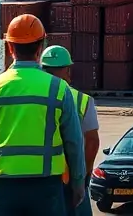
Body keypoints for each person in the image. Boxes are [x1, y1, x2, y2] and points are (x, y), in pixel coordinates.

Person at [0, 14, 86, 216]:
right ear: (41, 47)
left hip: (4, 190)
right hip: (47, 189)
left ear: (9, 47)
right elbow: (74, 142)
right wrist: (78, 181)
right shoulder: (58, 88)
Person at [40, 45, 100, 216]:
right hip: (72, 177)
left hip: (42, 176)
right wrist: (85, 174)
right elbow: (92, 142)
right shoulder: (82, 99)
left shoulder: (34, 96)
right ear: (67, 70)